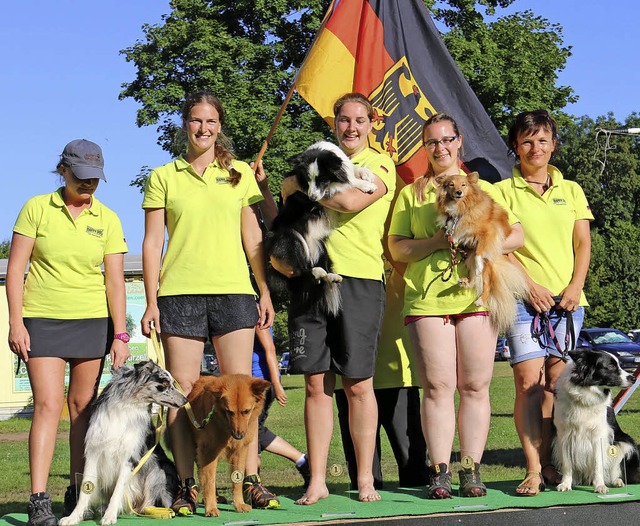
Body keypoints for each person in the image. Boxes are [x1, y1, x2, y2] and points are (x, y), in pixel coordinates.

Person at [140, 91, 276, 515]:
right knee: (183, 395)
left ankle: (247, 480)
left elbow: (253, 238)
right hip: (178, 293)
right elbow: (151, 242)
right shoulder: (164, 175)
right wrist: (150, 301)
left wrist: (263, 288)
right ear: (186, 125)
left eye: (211, 122)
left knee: (242, 392)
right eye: (196, 121)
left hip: (234, 292)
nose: (204, 128)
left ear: (220, 126)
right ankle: (186, 485)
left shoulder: (239, 174)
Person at [388, 113, 523, 499]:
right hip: (427, 299)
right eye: (432, 142)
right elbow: (397, 247)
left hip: (477, 296)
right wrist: (435, 242)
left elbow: (516, 235)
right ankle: (440, 471)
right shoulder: (412, 193)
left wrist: (480, 245)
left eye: (447, 140)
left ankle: (471, 471)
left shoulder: (478, 190)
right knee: (438, 387)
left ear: (459, 142)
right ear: (425, 147)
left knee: (476, 386)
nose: (440, 147)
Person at [279, 92, 396, 504]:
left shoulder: (382, 163)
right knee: (315, 385)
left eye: (360, 120)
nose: (352, 128)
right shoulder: (321, 158)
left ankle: (365, 478)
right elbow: (284, 196)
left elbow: (347, 200)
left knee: (359, 386)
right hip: (311, 277)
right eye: (344, 120)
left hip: (358, 280)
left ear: (372, 122)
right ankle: (317, 480)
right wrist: (294, 185)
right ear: (335, 123)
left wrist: (300, 184)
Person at [6, 139, 129, 526]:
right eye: (81, 177)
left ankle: (79, 494)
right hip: (42, 318)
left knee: (82, 412)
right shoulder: (36, 208)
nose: (88, 185)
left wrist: (120, 335)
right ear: (63, 170)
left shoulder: (108, 219)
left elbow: (115, 283)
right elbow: (15, 270)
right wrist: (15, 322)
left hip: (92, 322)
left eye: (95, 178)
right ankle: (38, 501)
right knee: (46, 406)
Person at [495, 110, 592, 496]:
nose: (536, 148)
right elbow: (500, 248)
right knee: (528, 384)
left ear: (553, 144)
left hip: (569, 302)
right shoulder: (501, 191)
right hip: (524, 299)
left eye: (543, 140)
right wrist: (531, 286)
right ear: (515, 147)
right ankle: (533, 469)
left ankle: (553, 463)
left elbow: (582, 244)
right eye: (527, 141)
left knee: (556, 384)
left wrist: (575, 286)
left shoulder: (572, 190)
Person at [252, 327, 311, 487]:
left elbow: (270, 349)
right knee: (253, 431)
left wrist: (276, 384)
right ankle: (302, 461)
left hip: (260, 383)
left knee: (250, 434)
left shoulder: (255, 311)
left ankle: (252, 484)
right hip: (248, 384)